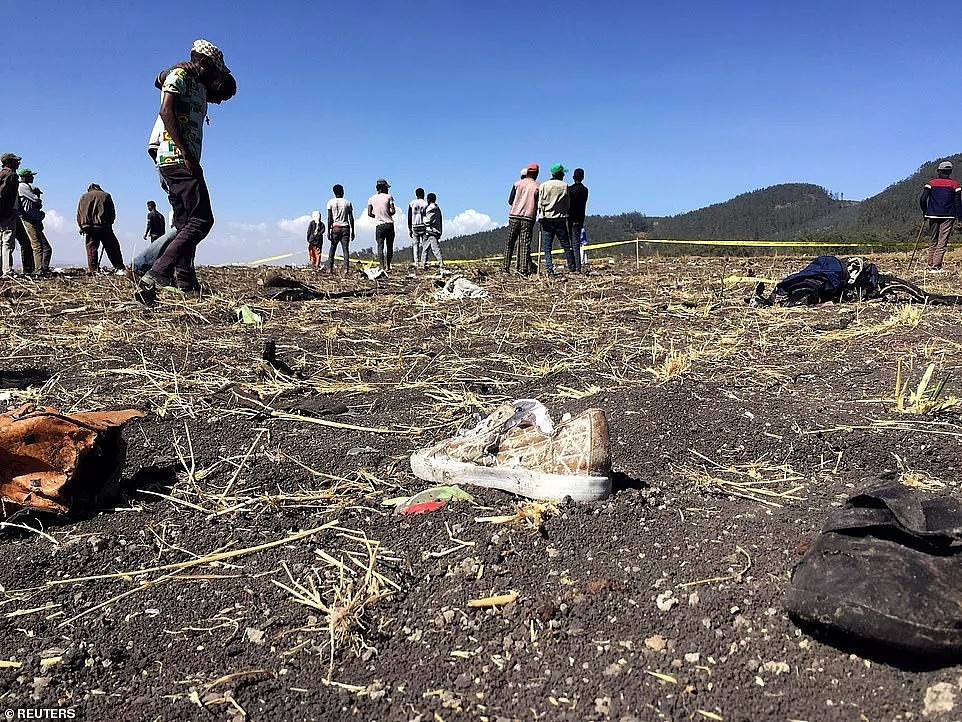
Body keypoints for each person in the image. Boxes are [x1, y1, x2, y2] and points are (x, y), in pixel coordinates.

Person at [136, 39, 234, 305]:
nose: (216, 79)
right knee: (202, 220)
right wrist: (187, 155)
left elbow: (218, 90)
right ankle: (156, 272)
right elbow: (166, 110)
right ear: (202, 63)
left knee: (182, 224)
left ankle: (186, 281)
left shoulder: (199, 86)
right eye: (214, 71)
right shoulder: (180, 75)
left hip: (181, 159)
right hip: (177, 158)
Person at [919, 161, 962, 272]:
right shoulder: (955, 185)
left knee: (933, 240)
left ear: (939, 171)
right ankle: (936, 266)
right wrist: (960, 219)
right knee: (942, 241)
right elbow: (958, 204)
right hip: (948, 215)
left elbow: (923, 199)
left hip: (932, 214)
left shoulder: (931, 184)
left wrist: (925, 211)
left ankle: (930, 264)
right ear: (950, 172)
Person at [77, 183, 125, 273]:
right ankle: (119, 267)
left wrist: (81, 226)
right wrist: (110, 222)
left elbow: (79, 213)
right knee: (112, 247)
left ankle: (93, 269)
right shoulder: (106, 195)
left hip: (89, 227)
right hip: (104, 225)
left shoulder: (84, 196)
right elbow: (112, 212)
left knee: (91, 249)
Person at [537, 163, 575, 275]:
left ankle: (549, 269)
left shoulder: (543, 185)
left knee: (547, 246)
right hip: (560, 219)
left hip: (546, 219)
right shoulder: (564, 186)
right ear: (560, 174)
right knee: (566, 245)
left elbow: (540, 203)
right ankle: (571, 267)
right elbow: (568, 204)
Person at [503, 164, 540, 275]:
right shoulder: (538, 186)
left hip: (514, 216)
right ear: (536, 174)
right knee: (524, 243)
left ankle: (505, 268)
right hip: (528, 218)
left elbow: (510, 201)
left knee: (510, 242)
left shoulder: (517, 184)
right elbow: (538, 202)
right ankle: (523, 270)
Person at [17, 169, 52, 275]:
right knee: (37, 245)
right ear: (26, 177)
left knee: (35, 245)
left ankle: (37, 268)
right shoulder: (23, 186)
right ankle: (39, 269)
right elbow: (36, 200)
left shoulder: (24, 187)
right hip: (29, 219)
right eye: (31, 176)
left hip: (31, 218)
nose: (33, 177)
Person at [366, 178, 396, 272]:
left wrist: (378, 215)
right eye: (387, 187)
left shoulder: (371, 199)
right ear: (383, 188)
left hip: (379, 225)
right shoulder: (389, 197)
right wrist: (387, 213)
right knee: (389, 246)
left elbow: (369, 213)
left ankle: (381, 266)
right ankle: (388, 266)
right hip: (389, 224)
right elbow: (393, 211)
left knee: (380, 246)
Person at [0, 153, 21, 277]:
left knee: (1, 242)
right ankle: (7, 270)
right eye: (15, 161)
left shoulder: (2, 175)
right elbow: (3, 196)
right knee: (7, 241)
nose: (18, 163)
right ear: (8, 162)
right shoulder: (11, 176)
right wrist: (7, 212)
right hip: (6, 213)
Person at [326, 184, 355, 274]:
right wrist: (353, 230)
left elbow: (329, 218)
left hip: (335, 228)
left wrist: (328, 231)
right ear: (342, 191)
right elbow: (351, 218)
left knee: (332, 249)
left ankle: (330, 268)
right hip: (346, 227)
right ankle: (346, 268)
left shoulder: (330, 202)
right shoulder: (347, 202)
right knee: (345, 250)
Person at [567, 168, 588, 273]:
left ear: (573, 177)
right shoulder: (585, 190)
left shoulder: (570, 190)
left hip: (572, 219)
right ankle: (576, 266)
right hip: (580, 219)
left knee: (574, 243)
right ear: (583, 177)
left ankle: (576, 267)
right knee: (577, 242)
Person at [419, 192, 443, 270]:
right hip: (436, 230)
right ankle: (423, 263)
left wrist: (422, 216)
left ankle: (440, 263)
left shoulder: (430, 208)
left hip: (431, 231)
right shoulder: (438, 209)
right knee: (426, 248)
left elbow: (427, 221)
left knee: (434, 248)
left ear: (428, 199)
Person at [408, 188, 428, 266]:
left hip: (415, 225)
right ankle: (423, 261)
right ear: (423, 194)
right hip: (424, 225)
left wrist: (409, 228)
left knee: (415, 244)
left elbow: (409, 216)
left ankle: (416, 261)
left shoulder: (412, 203)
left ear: (416, 194)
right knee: (425, 244)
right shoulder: (426, 204)